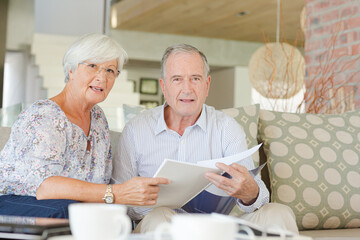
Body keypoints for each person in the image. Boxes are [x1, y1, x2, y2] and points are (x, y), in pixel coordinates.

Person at [112, 43, 298, 233]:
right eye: (177, 79)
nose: (187, 88)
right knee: (160, 216)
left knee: (278, 212)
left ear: (207, 85)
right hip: (162, 226)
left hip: (215, 228)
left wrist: (250, 192)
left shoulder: (226, 127)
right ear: (163, 86)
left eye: (195, 78)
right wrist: (144, 200)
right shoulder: (136, 129)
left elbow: (257, 197)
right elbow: (118, 198)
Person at [0, 33, 168, 218]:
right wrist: (116, 193)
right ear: (71, 70)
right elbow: (45, 187)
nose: (102, 77)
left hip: (71, 212)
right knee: (72, 212)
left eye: (110, 71)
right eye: (93, 66)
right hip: (19, 207)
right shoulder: (44, 115)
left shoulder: (98, 119)